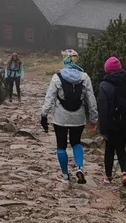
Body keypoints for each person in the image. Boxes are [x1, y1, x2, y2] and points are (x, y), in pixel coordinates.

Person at [39, 49, 98, 184]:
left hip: (60, 118)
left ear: (65, 60)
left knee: (61, 145)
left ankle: (65, 175)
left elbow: (49, 99)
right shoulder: (84, 77)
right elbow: (91, 99)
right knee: (76, 142)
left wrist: (44, 115)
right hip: (78, 118)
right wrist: (94, 118)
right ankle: (80, 168)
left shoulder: (57, 77)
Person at [98, 56, 126, 187]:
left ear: (107, 69)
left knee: (109, 149)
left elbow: (103, 109)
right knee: (121, 147)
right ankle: (125, 173)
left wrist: (103, 128)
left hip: (111, 123)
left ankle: (108, 176)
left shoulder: (104, 85)